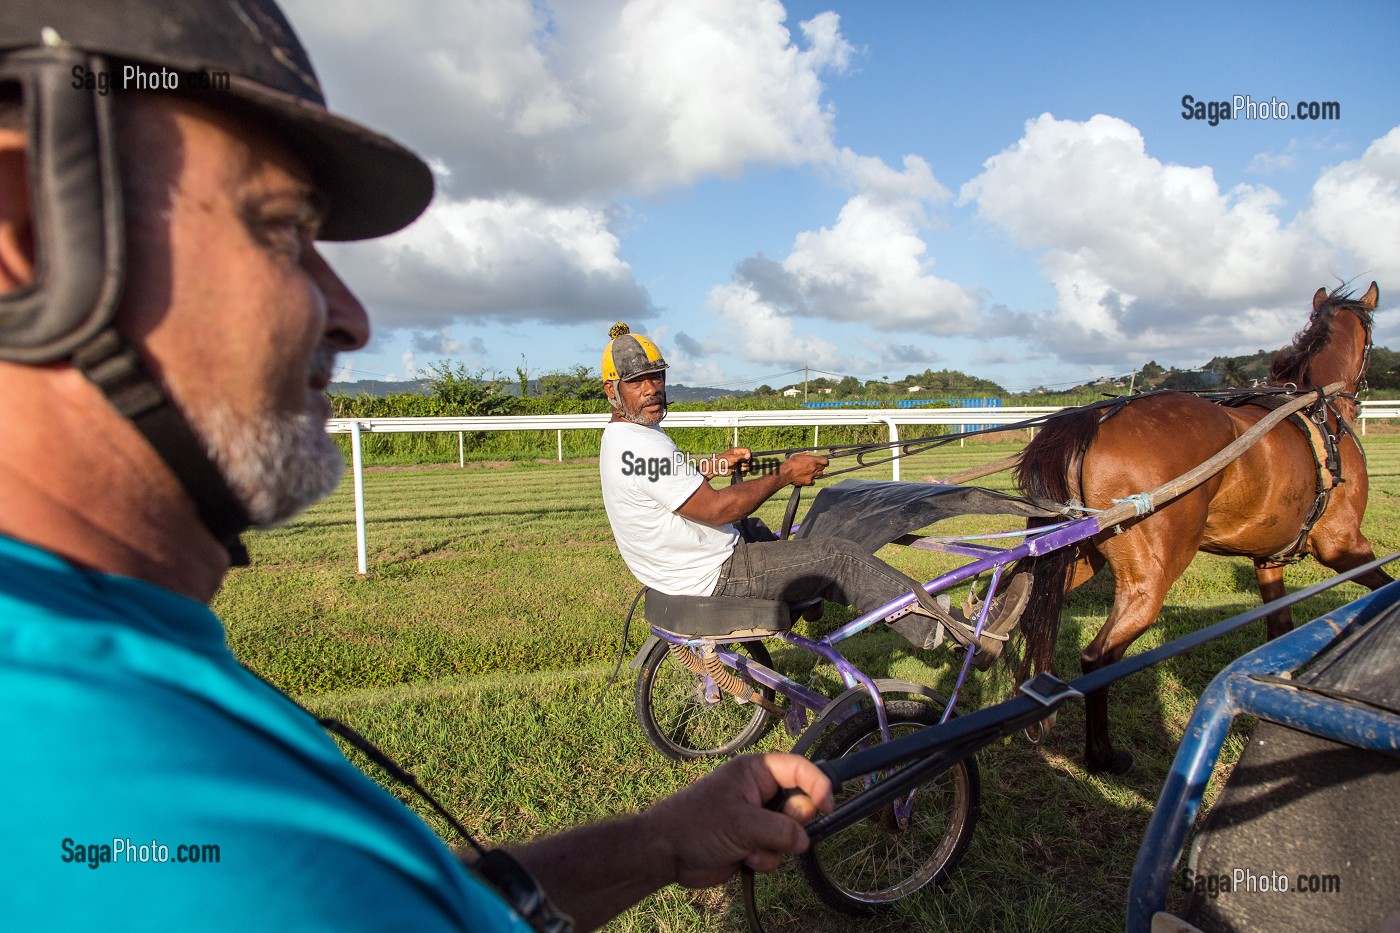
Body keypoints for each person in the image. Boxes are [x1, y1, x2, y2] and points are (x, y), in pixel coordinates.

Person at [0, 3, 832, 931]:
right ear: (31, 235)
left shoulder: (112, 679)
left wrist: (660, 842)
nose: (353, 315)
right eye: (281, 229)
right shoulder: (99, 787)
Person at [598, 324, 983, 641]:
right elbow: (717, 510)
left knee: (757, 529)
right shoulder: (644, 445)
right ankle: (951, 632)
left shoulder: (621, 439)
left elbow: (664, 480)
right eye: (637, 382)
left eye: (656, 376)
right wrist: (784, 474)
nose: (651, 389)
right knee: (840, 558)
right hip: (714, 575)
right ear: (612, 391)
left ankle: (807, 596)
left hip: (677, 569)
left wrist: (714, 464)